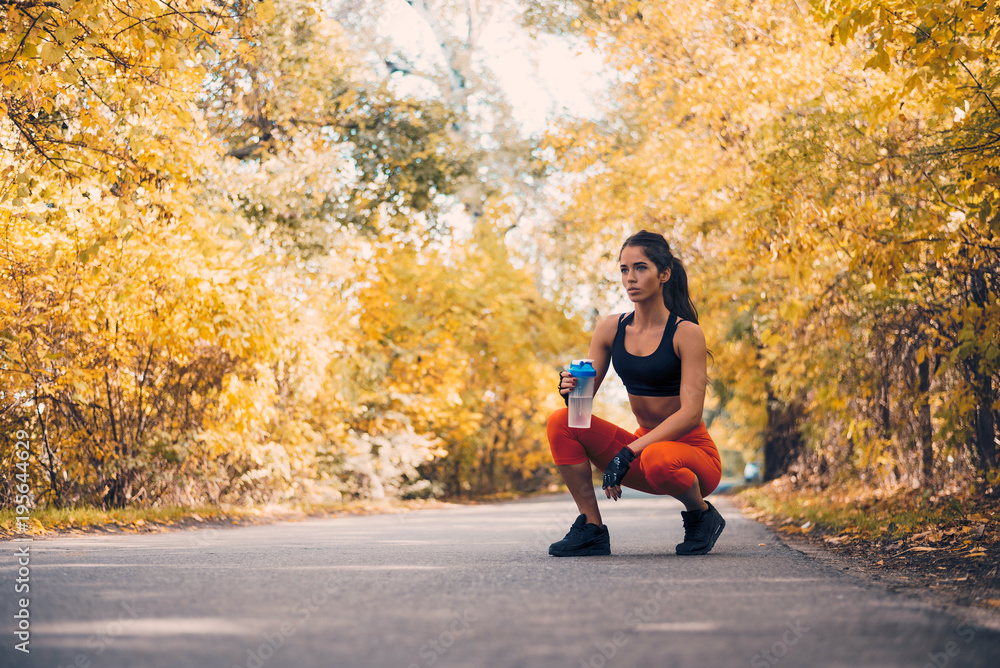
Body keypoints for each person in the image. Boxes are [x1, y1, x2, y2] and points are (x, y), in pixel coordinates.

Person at [547, 230, 725, 557]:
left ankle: (701, 514)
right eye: (624, 269)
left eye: (641, 268)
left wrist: (628, 453)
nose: (630, 278)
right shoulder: (610, 328)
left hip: (693, 458)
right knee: (561, 422)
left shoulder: (686, 333)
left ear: (664, 274)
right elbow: (580, 410)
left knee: (658, 458)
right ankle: (591, 529)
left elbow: (690, 414)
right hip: (642, 452)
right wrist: (570, 393)